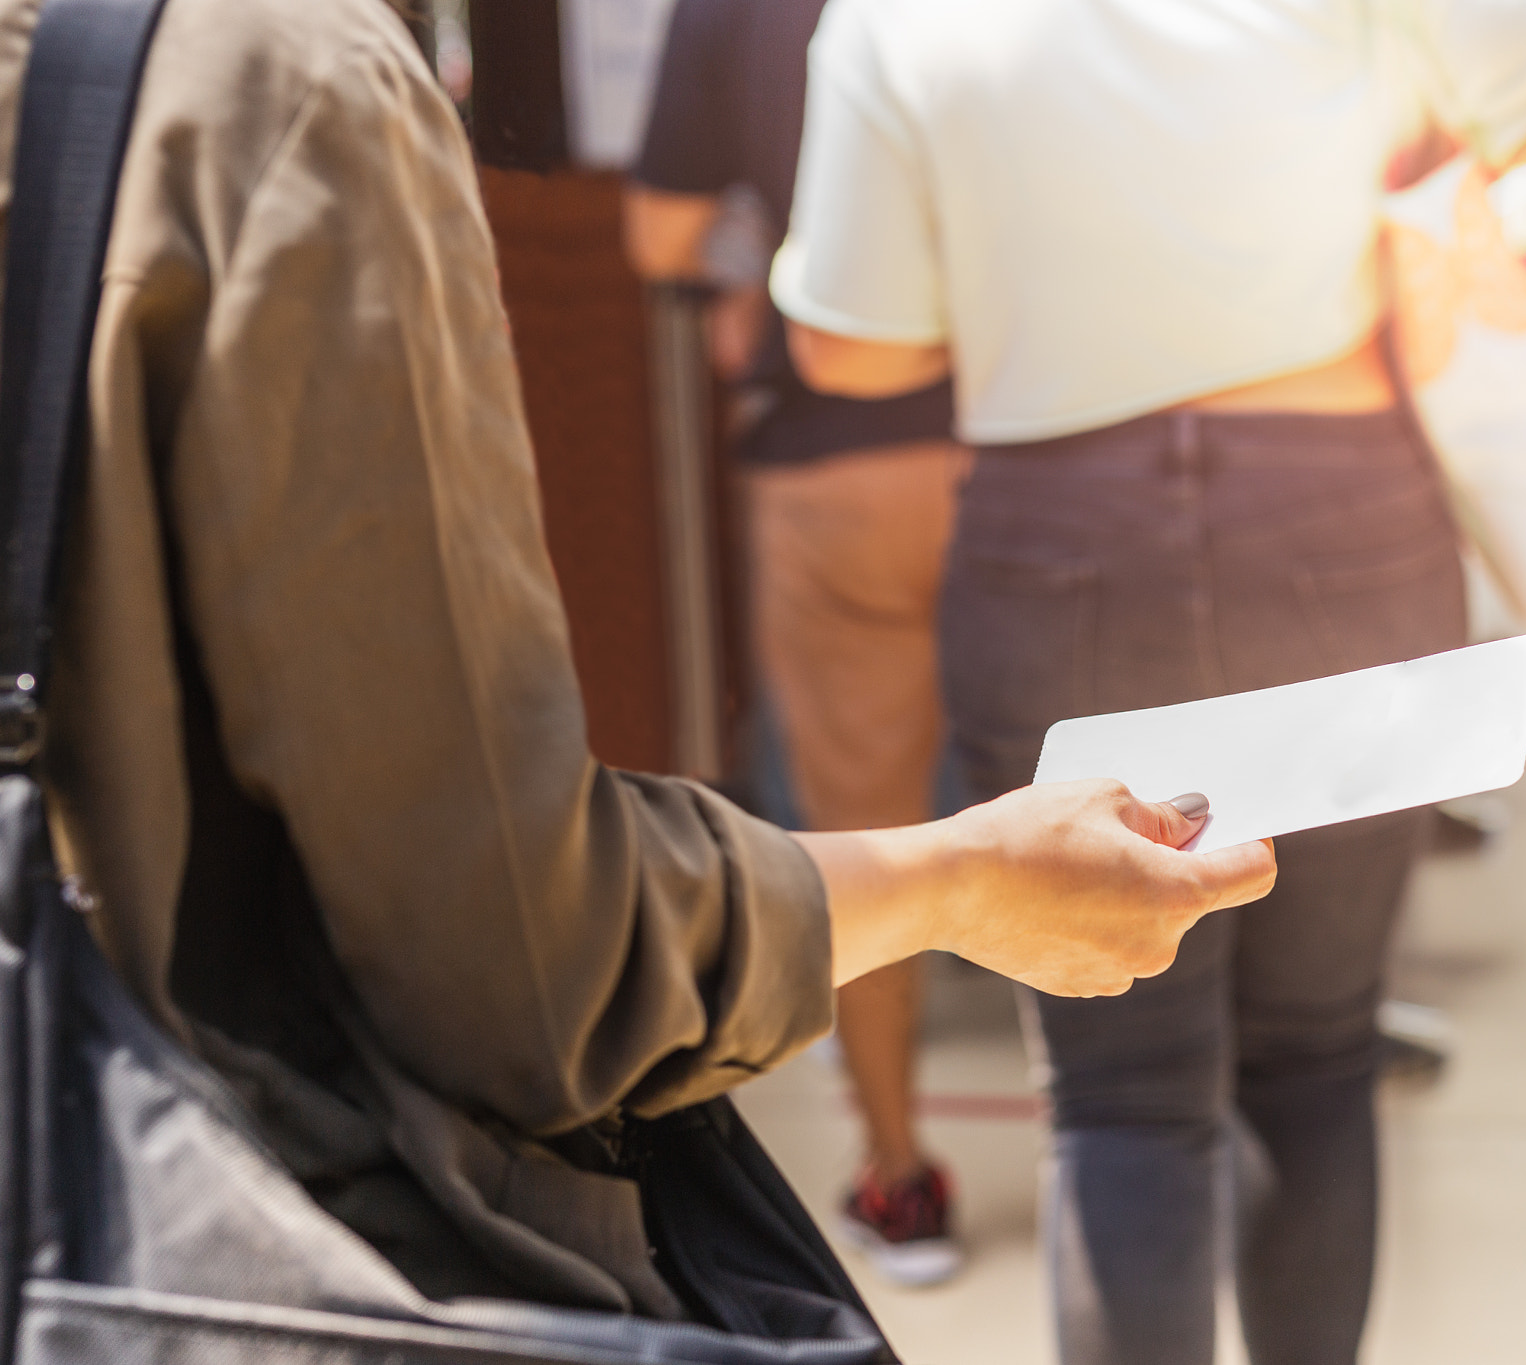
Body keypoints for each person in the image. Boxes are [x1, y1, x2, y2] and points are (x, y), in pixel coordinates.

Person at [0, 0, 1278, 1359]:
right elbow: (522, 960)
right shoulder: (267, 86)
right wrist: (965, 880)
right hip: (221, 1273)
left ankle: (895, 1161)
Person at [771, 0, 1526, 1361]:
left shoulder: (895, 19)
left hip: (1062, 532)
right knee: (1315, 1055)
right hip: (1338, 519)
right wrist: (1478, 119)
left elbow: (848, 346)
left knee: (1119, 1095)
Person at [623, 0, 969, 1288]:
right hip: (1056, 444)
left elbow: (657, 231)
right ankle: (1146, 1135)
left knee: (867, 830)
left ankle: (898, 1171)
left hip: (843, 465)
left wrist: (751, 274)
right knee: (1121, 790)